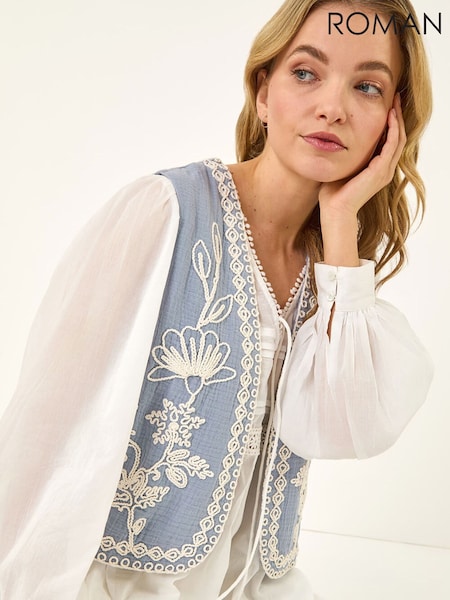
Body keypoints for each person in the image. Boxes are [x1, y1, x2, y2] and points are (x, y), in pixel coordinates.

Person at [0, 0, 433, 598]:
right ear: (263, 91)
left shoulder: (332, 270)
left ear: (393, 119)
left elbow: (341, 427)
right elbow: (49, 438)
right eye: (305, 72)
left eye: (367, 86)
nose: (332, 107)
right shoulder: (164, 213)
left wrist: (340, 223)